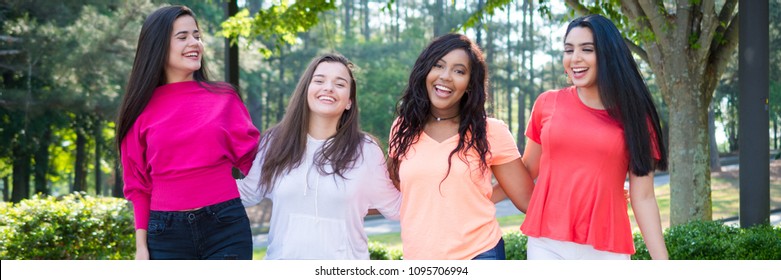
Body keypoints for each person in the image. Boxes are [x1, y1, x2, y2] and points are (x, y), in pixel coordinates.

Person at [520, 14, 669, 260]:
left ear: (608, 55)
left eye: (587, 49)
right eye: (569, 50)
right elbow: (526, 170)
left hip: (607, 249)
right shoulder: (547, 103)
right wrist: (482, 193)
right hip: (546, 244)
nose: (574, 58)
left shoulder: (636, 117)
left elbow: (642, 197)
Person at [116, 5, 260, 260]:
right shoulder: (138, 110)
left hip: (225, 227)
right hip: (166, 235)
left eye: (196, 35)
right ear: (158, 46)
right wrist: (141, 248)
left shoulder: (224, 97)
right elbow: (138, 187)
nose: (194, 43)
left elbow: (255, 161)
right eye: (182, 37)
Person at [237, 53, 402, 260]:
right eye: (319, 80)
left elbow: (396, 208)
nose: (328, 88)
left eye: (340, 84)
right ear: (306, 89)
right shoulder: (274, 142)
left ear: (349, 101)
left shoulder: (365, 150)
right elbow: (246, 192)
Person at [387, 33, 534, 260]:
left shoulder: (490, 131)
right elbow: (402, 185)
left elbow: (527, 199)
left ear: (469, 84)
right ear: (425, 71)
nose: (446, 76)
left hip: (480, 254)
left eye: (459, 71)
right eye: (438, 65)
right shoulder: (402, 128)